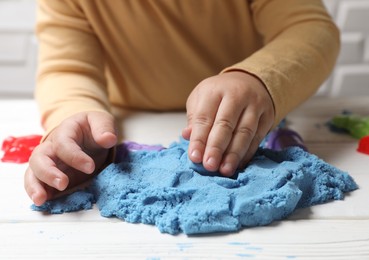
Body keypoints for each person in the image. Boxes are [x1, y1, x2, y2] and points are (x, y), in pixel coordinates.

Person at [24, 0, 340, 206]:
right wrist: (75, 118)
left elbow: (310, 28)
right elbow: (67, 69)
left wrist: (258, 78)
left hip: (243, 117)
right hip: (133, 118)